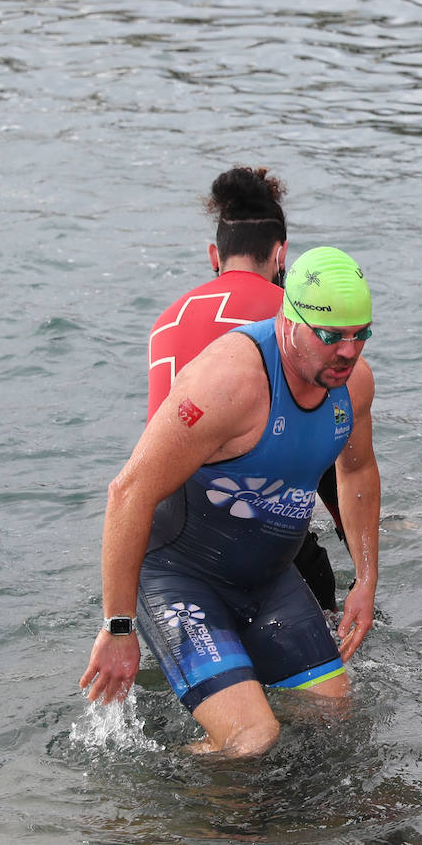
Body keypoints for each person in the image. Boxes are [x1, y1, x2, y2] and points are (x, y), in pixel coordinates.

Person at [81, 246, 381, 756]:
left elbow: (357, 469)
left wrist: (367, 578)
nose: (347, 353)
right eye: (330, 337)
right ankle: (155, 819)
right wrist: (118, 626)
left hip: (268, 581)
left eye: (360, 336)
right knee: (251, 740)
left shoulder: (354, 386)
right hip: (181, 577)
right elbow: (128, 491)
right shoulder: (228, 383)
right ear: (290, 319)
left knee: (336, 721)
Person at [146, 166, 358, 612]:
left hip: (167, 548)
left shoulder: (166, 321)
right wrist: (360, 556)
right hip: (259, 544)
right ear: (282, 256)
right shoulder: (293, 321)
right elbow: (325, 449)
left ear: (213, 254)